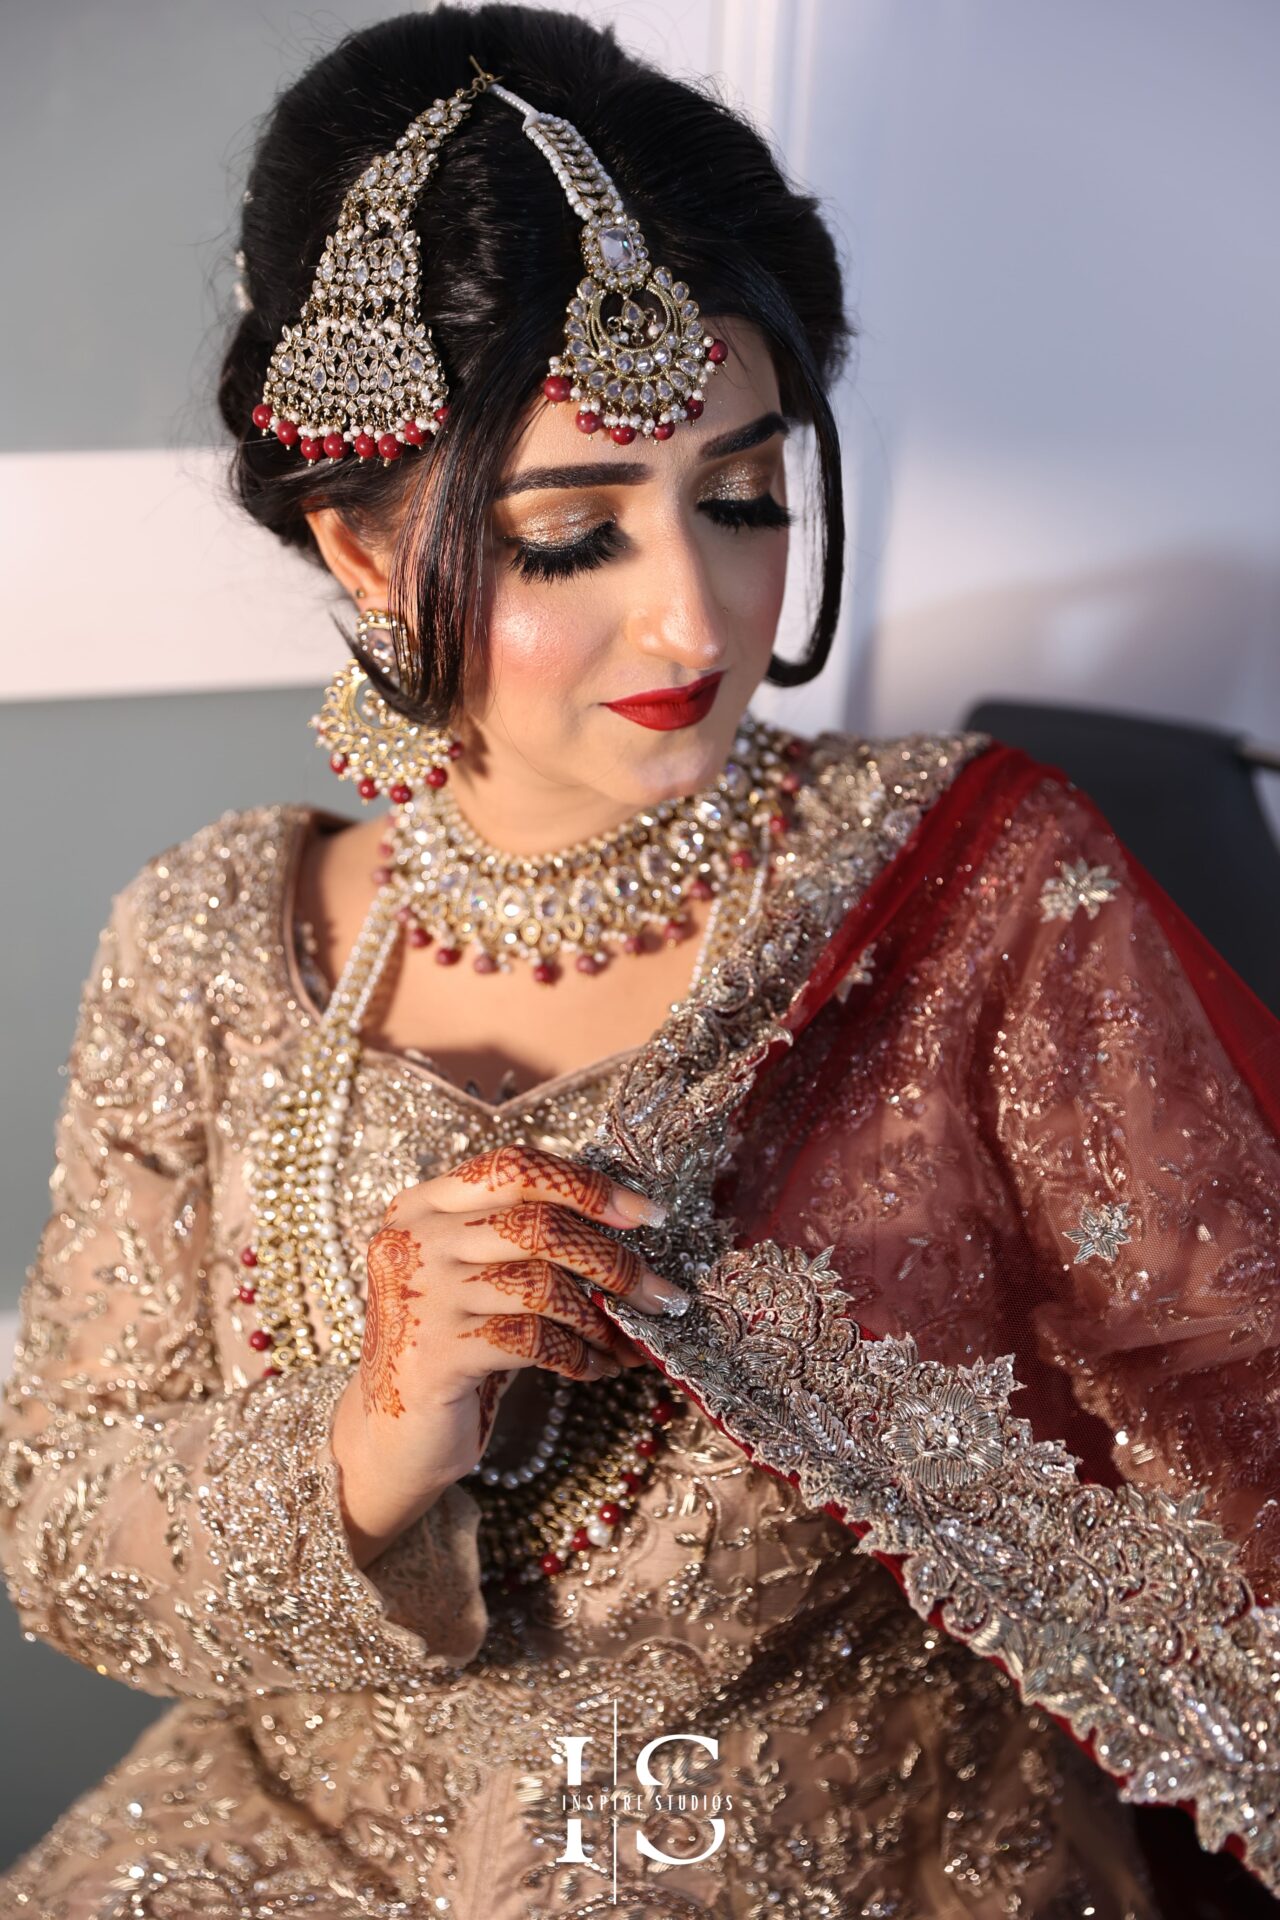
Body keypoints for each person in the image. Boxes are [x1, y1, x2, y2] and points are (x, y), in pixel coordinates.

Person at [1, 7, 1276, 1916]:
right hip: (282, 1846)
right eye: (574, 534)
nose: (699, 608)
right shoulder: (204, 940)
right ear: (361, 548)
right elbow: (62, 1532)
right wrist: (375, 1427)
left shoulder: (971, 884)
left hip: (834, 1853)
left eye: (744, 496)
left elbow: (1237, 1401)